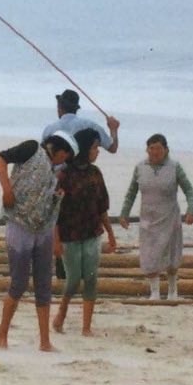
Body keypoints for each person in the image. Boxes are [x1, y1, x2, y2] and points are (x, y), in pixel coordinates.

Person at [0, 130, 76, 352]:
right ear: (58, 151)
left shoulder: (58, 170)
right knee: (18, 282)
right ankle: (2, 334)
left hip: (44, 228)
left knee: (43, 284)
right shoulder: (31, 149)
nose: (63, 161)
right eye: (63, 156)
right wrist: (6, 189)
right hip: (19, 223)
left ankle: (44, 341)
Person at [52, 127, 116, 337]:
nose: (98, 151)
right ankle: (62, 311)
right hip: (69, 235)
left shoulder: (96, 173)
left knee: (90, 278)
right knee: (73, 279)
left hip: (92, 233)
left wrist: (111, 234)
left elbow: (102, 207)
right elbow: (55, 212)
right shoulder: (64, 175)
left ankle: (86, 327)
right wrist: (56, 240)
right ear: (84, 148)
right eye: (95, 147)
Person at [119, 134, 193, 300]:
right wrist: (124, 213)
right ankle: (154, 292)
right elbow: (131, 193)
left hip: (169, 216)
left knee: (172, 255)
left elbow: (189, 191)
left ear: (166, 149)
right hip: (148, 217)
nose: (155, 152)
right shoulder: (140, 167)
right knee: (150, 254)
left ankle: (172, 291)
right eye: (151, 148)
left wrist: (191, 210)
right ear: (147, 149)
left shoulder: (175, 167)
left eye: (159, 149)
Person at [41, 88, 120, 153]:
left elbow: (43, 154)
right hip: (81, 170)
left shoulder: (49, 129)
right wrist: (113, 129)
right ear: (76, 109)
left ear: (59, 107)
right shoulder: (90, 126)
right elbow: (112, 148)